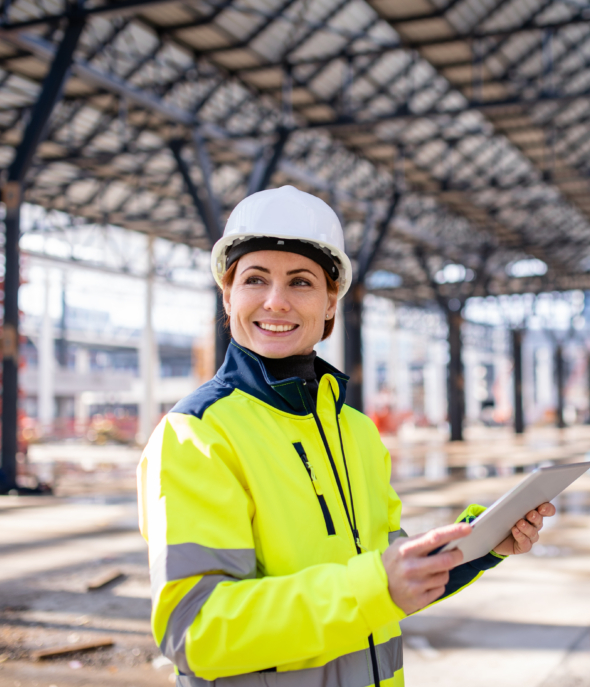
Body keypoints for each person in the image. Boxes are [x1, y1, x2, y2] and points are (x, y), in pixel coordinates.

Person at [137, 186, 556, 687]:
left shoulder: (355, 431)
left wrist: (479, 545)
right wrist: (375, 586)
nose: (276, 301)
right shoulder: (197, 435)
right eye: (254, 279)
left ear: (330, 301)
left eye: (300, 282)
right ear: (228, 296)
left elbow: (389, 569)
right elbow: (196, 631)